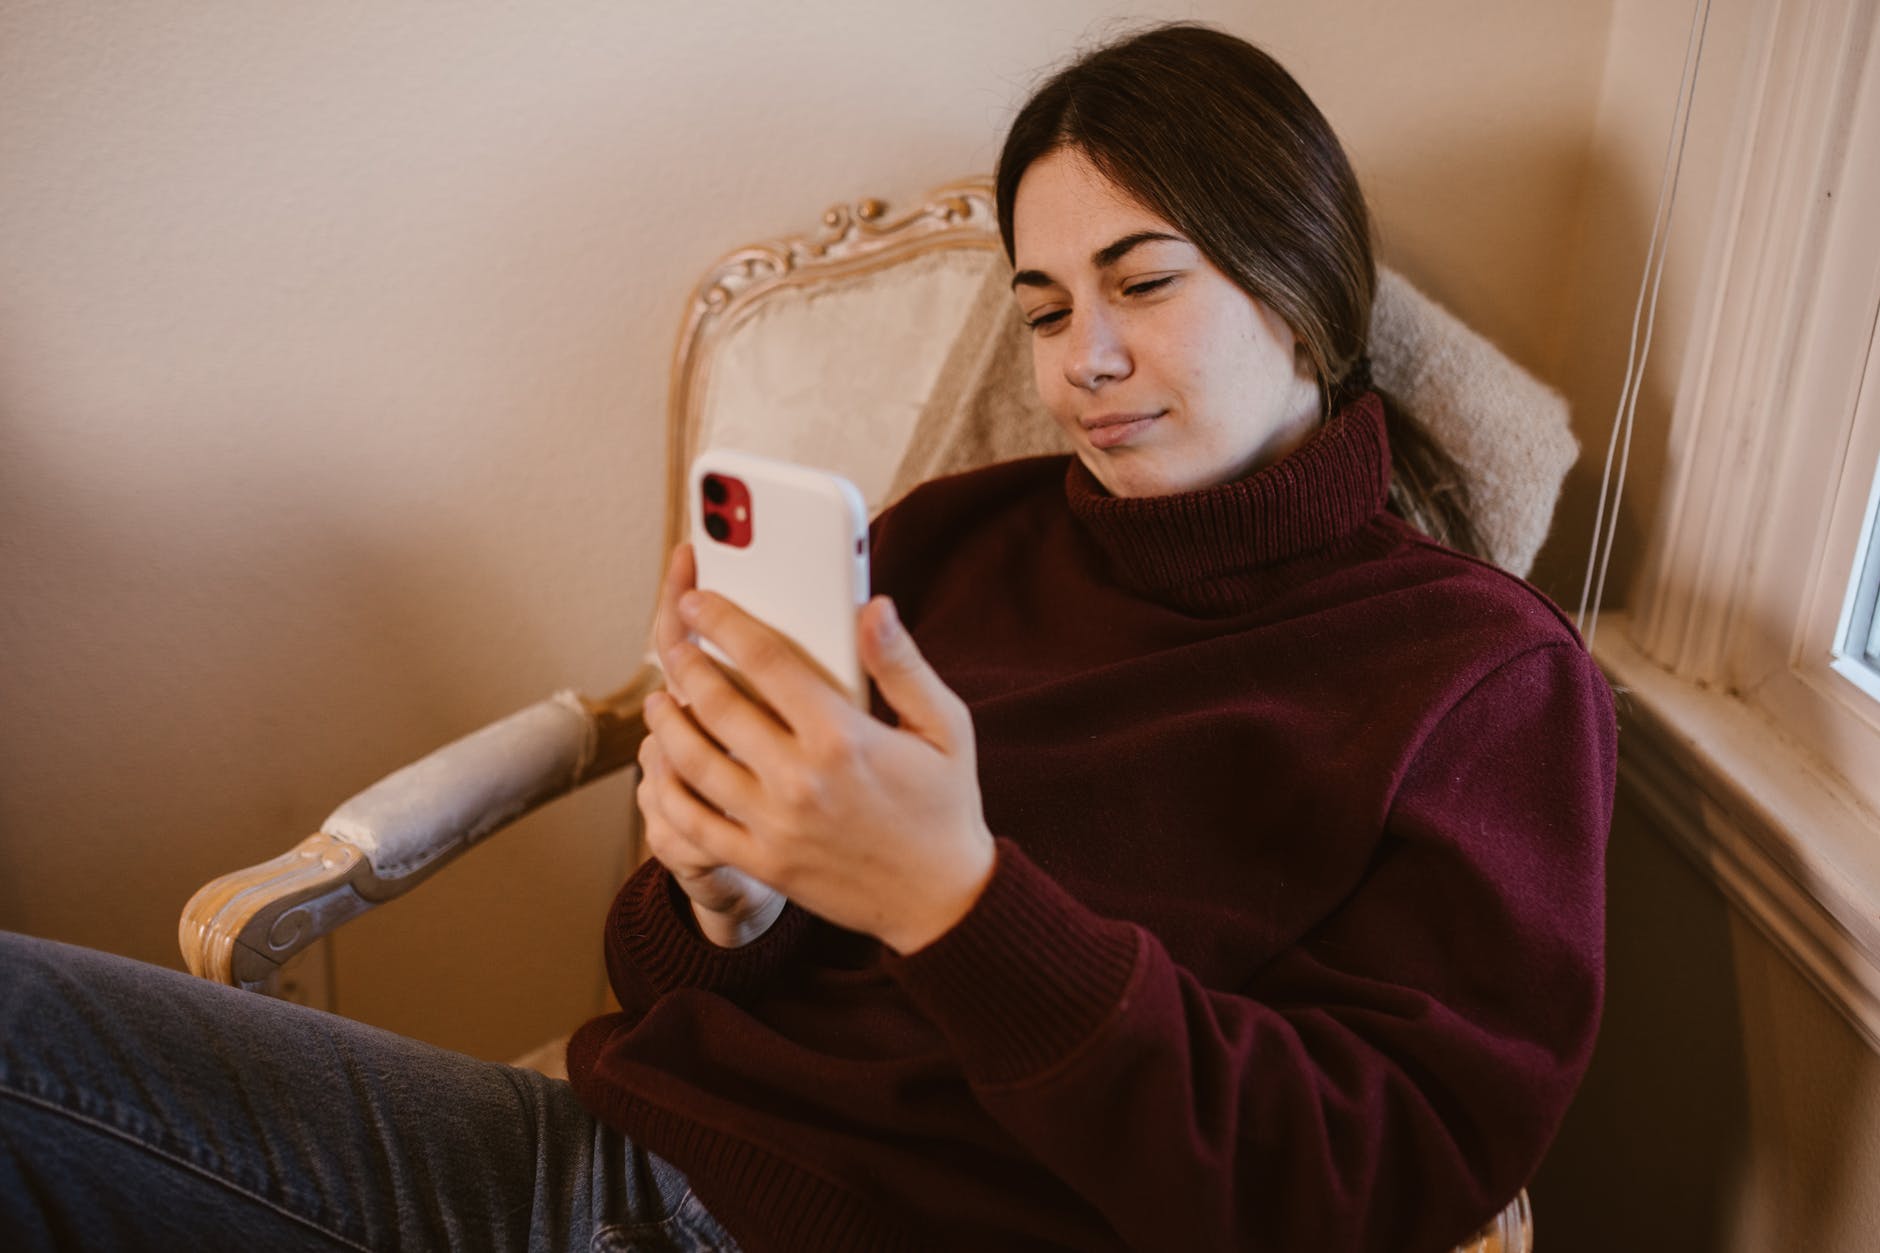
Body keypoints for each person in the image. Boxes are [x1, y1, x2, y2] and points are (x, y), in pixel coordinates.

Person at [0, 21, 1614, 1253]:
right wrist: (725, 896)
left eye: (1143, 282)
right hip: (595, 1170)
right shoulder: (947, 539)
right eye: (1048, 308)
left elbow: (1367, 1182)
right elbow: (662, 976)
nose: (1087, 360)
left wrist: (958, 901)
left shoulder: (1480, 679)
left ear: (1304, 287)